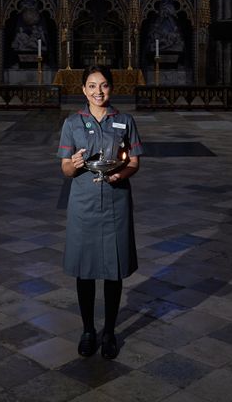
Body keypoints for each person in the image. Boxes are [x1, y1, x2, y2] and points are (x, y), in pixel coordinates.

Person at [56, 65, 143, 359]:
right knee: (85, 270)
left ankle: (109, 332)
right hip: (84, 204)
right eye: (92, 86)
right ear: (83, 90)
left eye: (104, 85)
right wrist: (76, 163)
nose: (98, 92)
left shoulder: (125, 120)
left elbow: (133, 161)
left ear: (111, 88)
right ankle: (88, 330)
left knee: (113, 270)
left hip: (116, 202)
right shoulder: (72, 123)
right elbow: (66, 169)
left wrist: (121, 175)